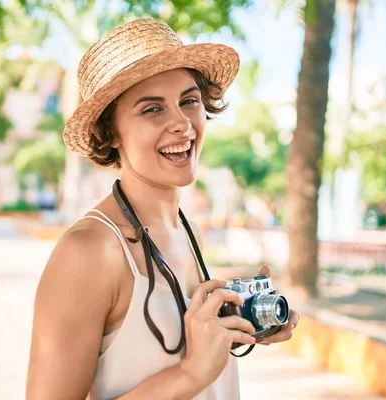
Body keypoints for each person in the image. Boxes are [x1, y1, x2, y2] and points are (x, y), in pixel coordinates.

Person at [26, 18, 300, 400]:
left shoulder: (189, 231)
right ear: (111, 133)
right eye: (152, 109)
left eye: (189, 101)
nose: (182, 124)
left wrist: (241, 322)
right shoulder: (89, 251)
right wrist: (189, 375)